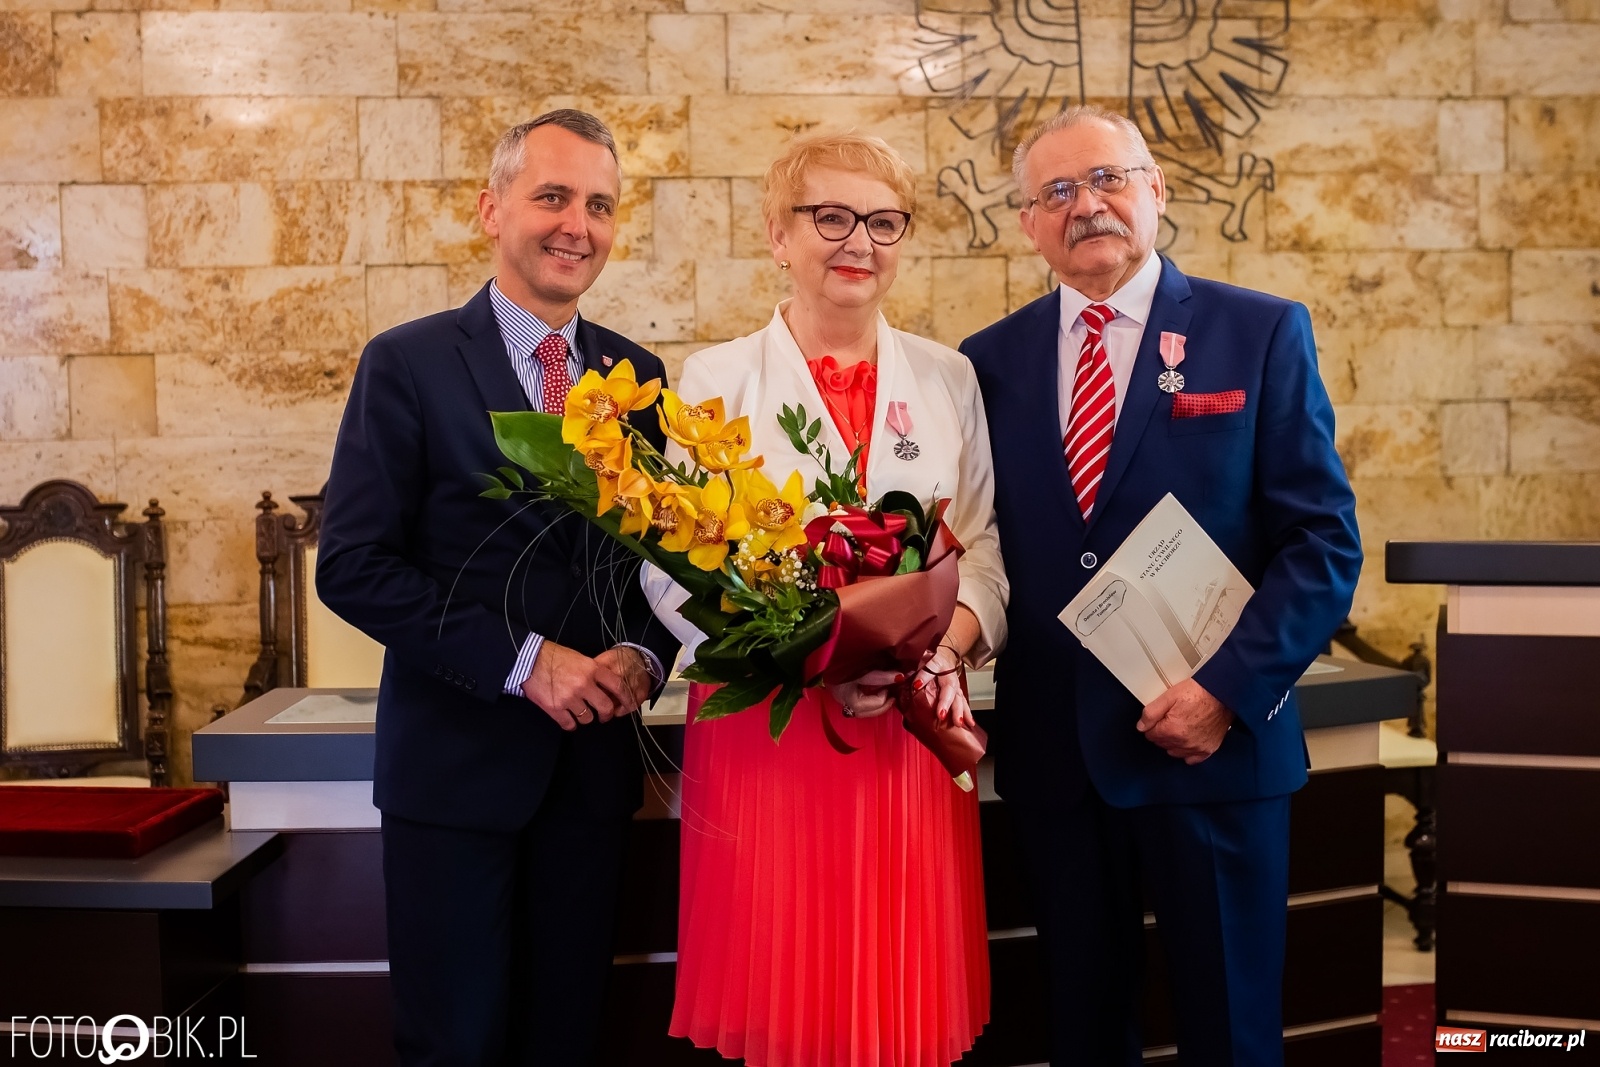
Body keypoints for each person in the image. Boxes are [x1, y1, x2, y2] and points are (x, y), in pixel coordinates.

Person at [960, 105, 1361, 1066]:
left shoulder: (1259, 331)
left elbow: (1322, 542)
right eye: (1056, 191)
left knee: (1229, 1029)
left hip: (1212, 751)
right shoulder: (985, 364)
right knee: (1084, 1030)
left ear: (1156, 190)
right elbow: (976, 544)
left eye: (1106, 178)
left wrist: (1225, 690)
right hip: (1059, 758)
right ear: (1026, 221)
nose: (1085, 205)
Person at [317, 110, 679, 1066]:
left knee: (568, 1037)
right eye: (553, 196)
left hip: (592, 778)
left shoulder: (635, 378)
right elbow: (352, 564)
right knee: (456, 1043)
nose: (578, 225)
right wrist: (526, 662)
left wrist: (645, 651)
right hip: (455, 772)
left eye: (600, 205)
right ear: (491, 209)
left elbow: (663, 558)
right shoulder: (408, 363)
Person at [642, 132, 1009, 1067]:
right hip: (773, 730)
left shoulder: (949, 377)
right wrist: (807, 659)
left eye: (884, 221)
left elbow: (985, 550)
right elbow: (672, 570)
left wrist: (940, 646)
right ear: (778, 234)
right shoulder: (714, 380)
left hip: (909, 733)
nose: (860, 241)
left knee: (899, 1005)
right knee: (785, 993)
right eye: (832, 216)